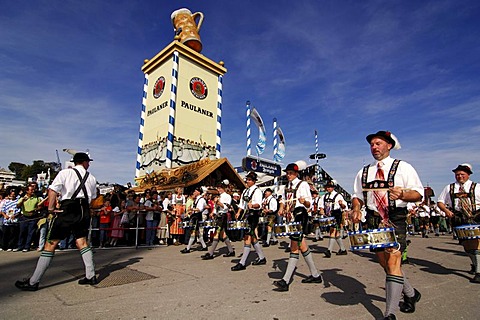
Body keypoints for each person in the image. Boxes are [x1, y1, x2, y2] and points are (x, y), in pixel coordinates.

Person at [351, 131, 423, 319]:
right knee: (386, 264)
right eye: (372, 144)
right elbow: (357, 196)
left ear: (389, 145)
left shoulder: (403, 167)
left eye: (378, 143)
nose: (374, 147)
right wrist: (356, 209)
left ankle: (390, 313)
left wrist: (402, 195)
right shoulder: (364, 172)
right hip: (374, 220)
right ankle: (411, 294)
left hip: (395, 218)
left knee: (392, 261)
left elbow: (418, 194)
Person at [15, 152, 98, 291]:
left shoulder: (65, 173)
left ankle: (33, 281)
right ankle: (91, 275)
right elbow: (93, 197)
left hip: (68, 208)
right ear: (83, 162)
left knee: (51, 243)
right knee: (82, 242)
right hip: (84, 210)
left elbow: (52, 191)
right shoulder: (92, 178)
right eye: (88, 162)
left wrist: (51, 209)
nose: (89, 164)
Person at [273, 163, 322, 291]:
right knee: (302, 246)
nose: (288, 175)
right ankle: (315, 274)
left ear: (296, 174)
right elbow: (283, 200)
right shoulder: (286, 187)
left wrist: (303, 201)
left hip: (300, 217)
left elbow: (309, 203)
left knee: (294, 247)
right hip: (290, 218)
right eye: (287, 173)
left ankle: (285, 280)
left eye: (291, 173)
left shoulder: (303, 184)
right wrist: (281, 208)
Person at [437, 163, 480, 283]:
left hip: (476, 217)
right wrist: (446, 211)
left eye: (462, 174)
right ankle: (475, 263)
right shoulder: (449, 188)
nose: (459, 176)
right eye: (457, 174)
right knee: (466, 244)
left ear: (468, 175)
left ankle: (479, 271)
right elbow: (440, 202)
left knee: (476, 243)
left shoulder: (477, 187)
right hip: (459, 217)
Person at [231, 172, 267, 271]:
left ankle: (242, 263)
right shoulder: (245, 191)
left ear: (254, 181)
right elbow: (242, 204)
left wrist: (253, 205)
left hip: (253, 215)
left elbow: (259, 205)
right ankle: (262, 258)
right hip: (246, 215)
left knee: (247, 237)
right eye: (247, 179)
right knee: (253, 238)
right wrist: (238, 212)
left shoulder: (257, 191)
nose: (247, 181)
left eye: (250, 180)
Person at [201, 183, 235, 259]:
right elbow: (216, 207)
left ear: (224, 188)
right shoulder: (219, 196)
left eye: (220, 188)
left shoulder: (227, 196)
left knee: (217, 233)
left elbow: (226, 207)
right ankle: (231, 251)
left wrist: (218, 202)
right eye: (218, 188)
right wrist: (213, 212)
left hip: (223, 216)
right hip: (218, 215)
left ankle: (210, 253)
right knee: (223, 234)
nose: (219, 190)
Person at [320, 180, 348, 257]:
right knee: (336, 233)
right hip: (329, 215)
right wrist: (321, 210)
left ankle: (329, 250)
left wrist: (341, 204)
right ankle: (343, 250)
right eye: (327, 187)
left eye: (330, 187)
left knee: (333, 231)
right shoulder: (324, 196)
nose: (328, 188)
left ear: (333, 187)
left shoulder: (338, 196)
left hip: (336, 214)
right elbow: (321, 206)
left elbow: (344, 206)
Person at [181, 187, 208, 253]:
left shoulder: (201, 200)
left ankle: (188, 248)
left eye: (195, 191)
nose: (194, 193)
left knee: (193, 232)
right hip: (195, 217)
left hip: (197, 217)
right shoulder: (197, 199)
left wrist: (192, 209)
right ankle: (204, 246)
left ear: (199, 192)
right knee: (198, 233)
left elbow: (200, 209)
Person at [16, 185, 43, 252]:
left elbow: (40, 206)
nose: (33, 191)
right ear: (27, 191)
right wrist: (22, 201)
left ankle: (27, 246)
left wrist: (35, 210)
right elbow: (18, 206)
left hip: (33, 217)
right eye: (31, 190)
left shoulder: (36, 198)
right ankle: (20, 246)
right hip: (24, 217)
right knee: (22, 232)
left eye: (33, 190)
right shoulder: (23, 198)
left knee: (30, 232)